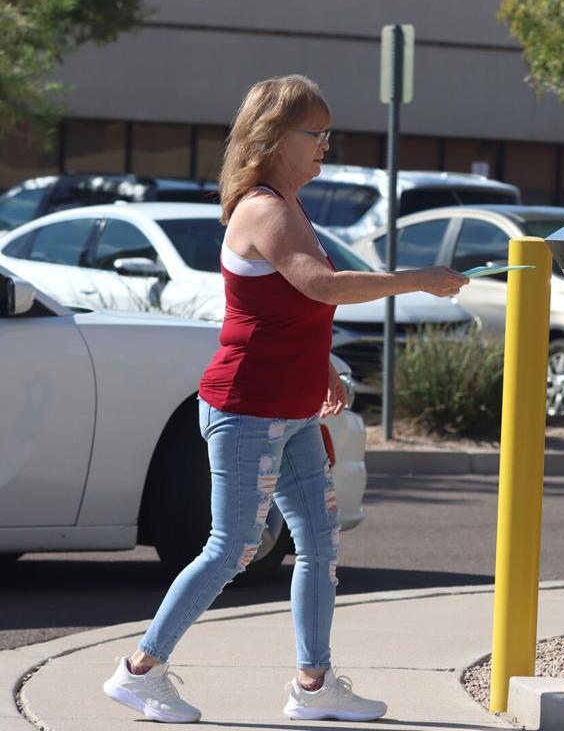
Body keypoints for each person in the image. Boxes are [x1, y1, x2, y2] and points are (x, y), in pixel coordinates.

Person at [102, 74, 468, 723]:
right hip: (245, 408)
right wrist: (419, 278)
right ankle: (140, 671)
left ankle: (314, 684)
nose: (327, 145)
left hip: (292, 410)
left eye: (329, 134)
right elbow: (320, 285)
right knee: (234, 545)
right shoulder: (265, 208)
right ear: (274, 138)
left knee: (320, 544)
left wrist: (321, 361)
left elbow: (282, 307)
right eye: (317, 134)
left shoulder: (289, 204)